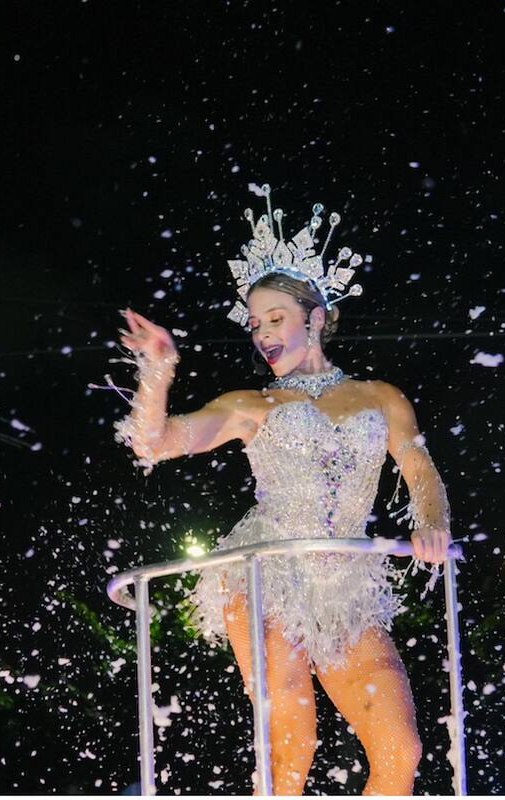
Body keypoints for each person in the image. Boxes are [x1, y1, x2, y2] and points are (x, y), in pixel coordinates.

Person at [114, 186, 452, 795]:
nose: (263, 335)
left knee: (402, 749)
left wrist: (430, 521)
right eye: (254, 325)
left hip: (345, 580)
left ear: (315, 318)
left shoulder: (382, 398)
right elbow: (155, 442)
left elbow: (421, 474)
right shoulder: (252, 406)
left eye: (276, 319)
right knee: (292, 737)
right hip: (266, 571)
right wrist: (158, 373)